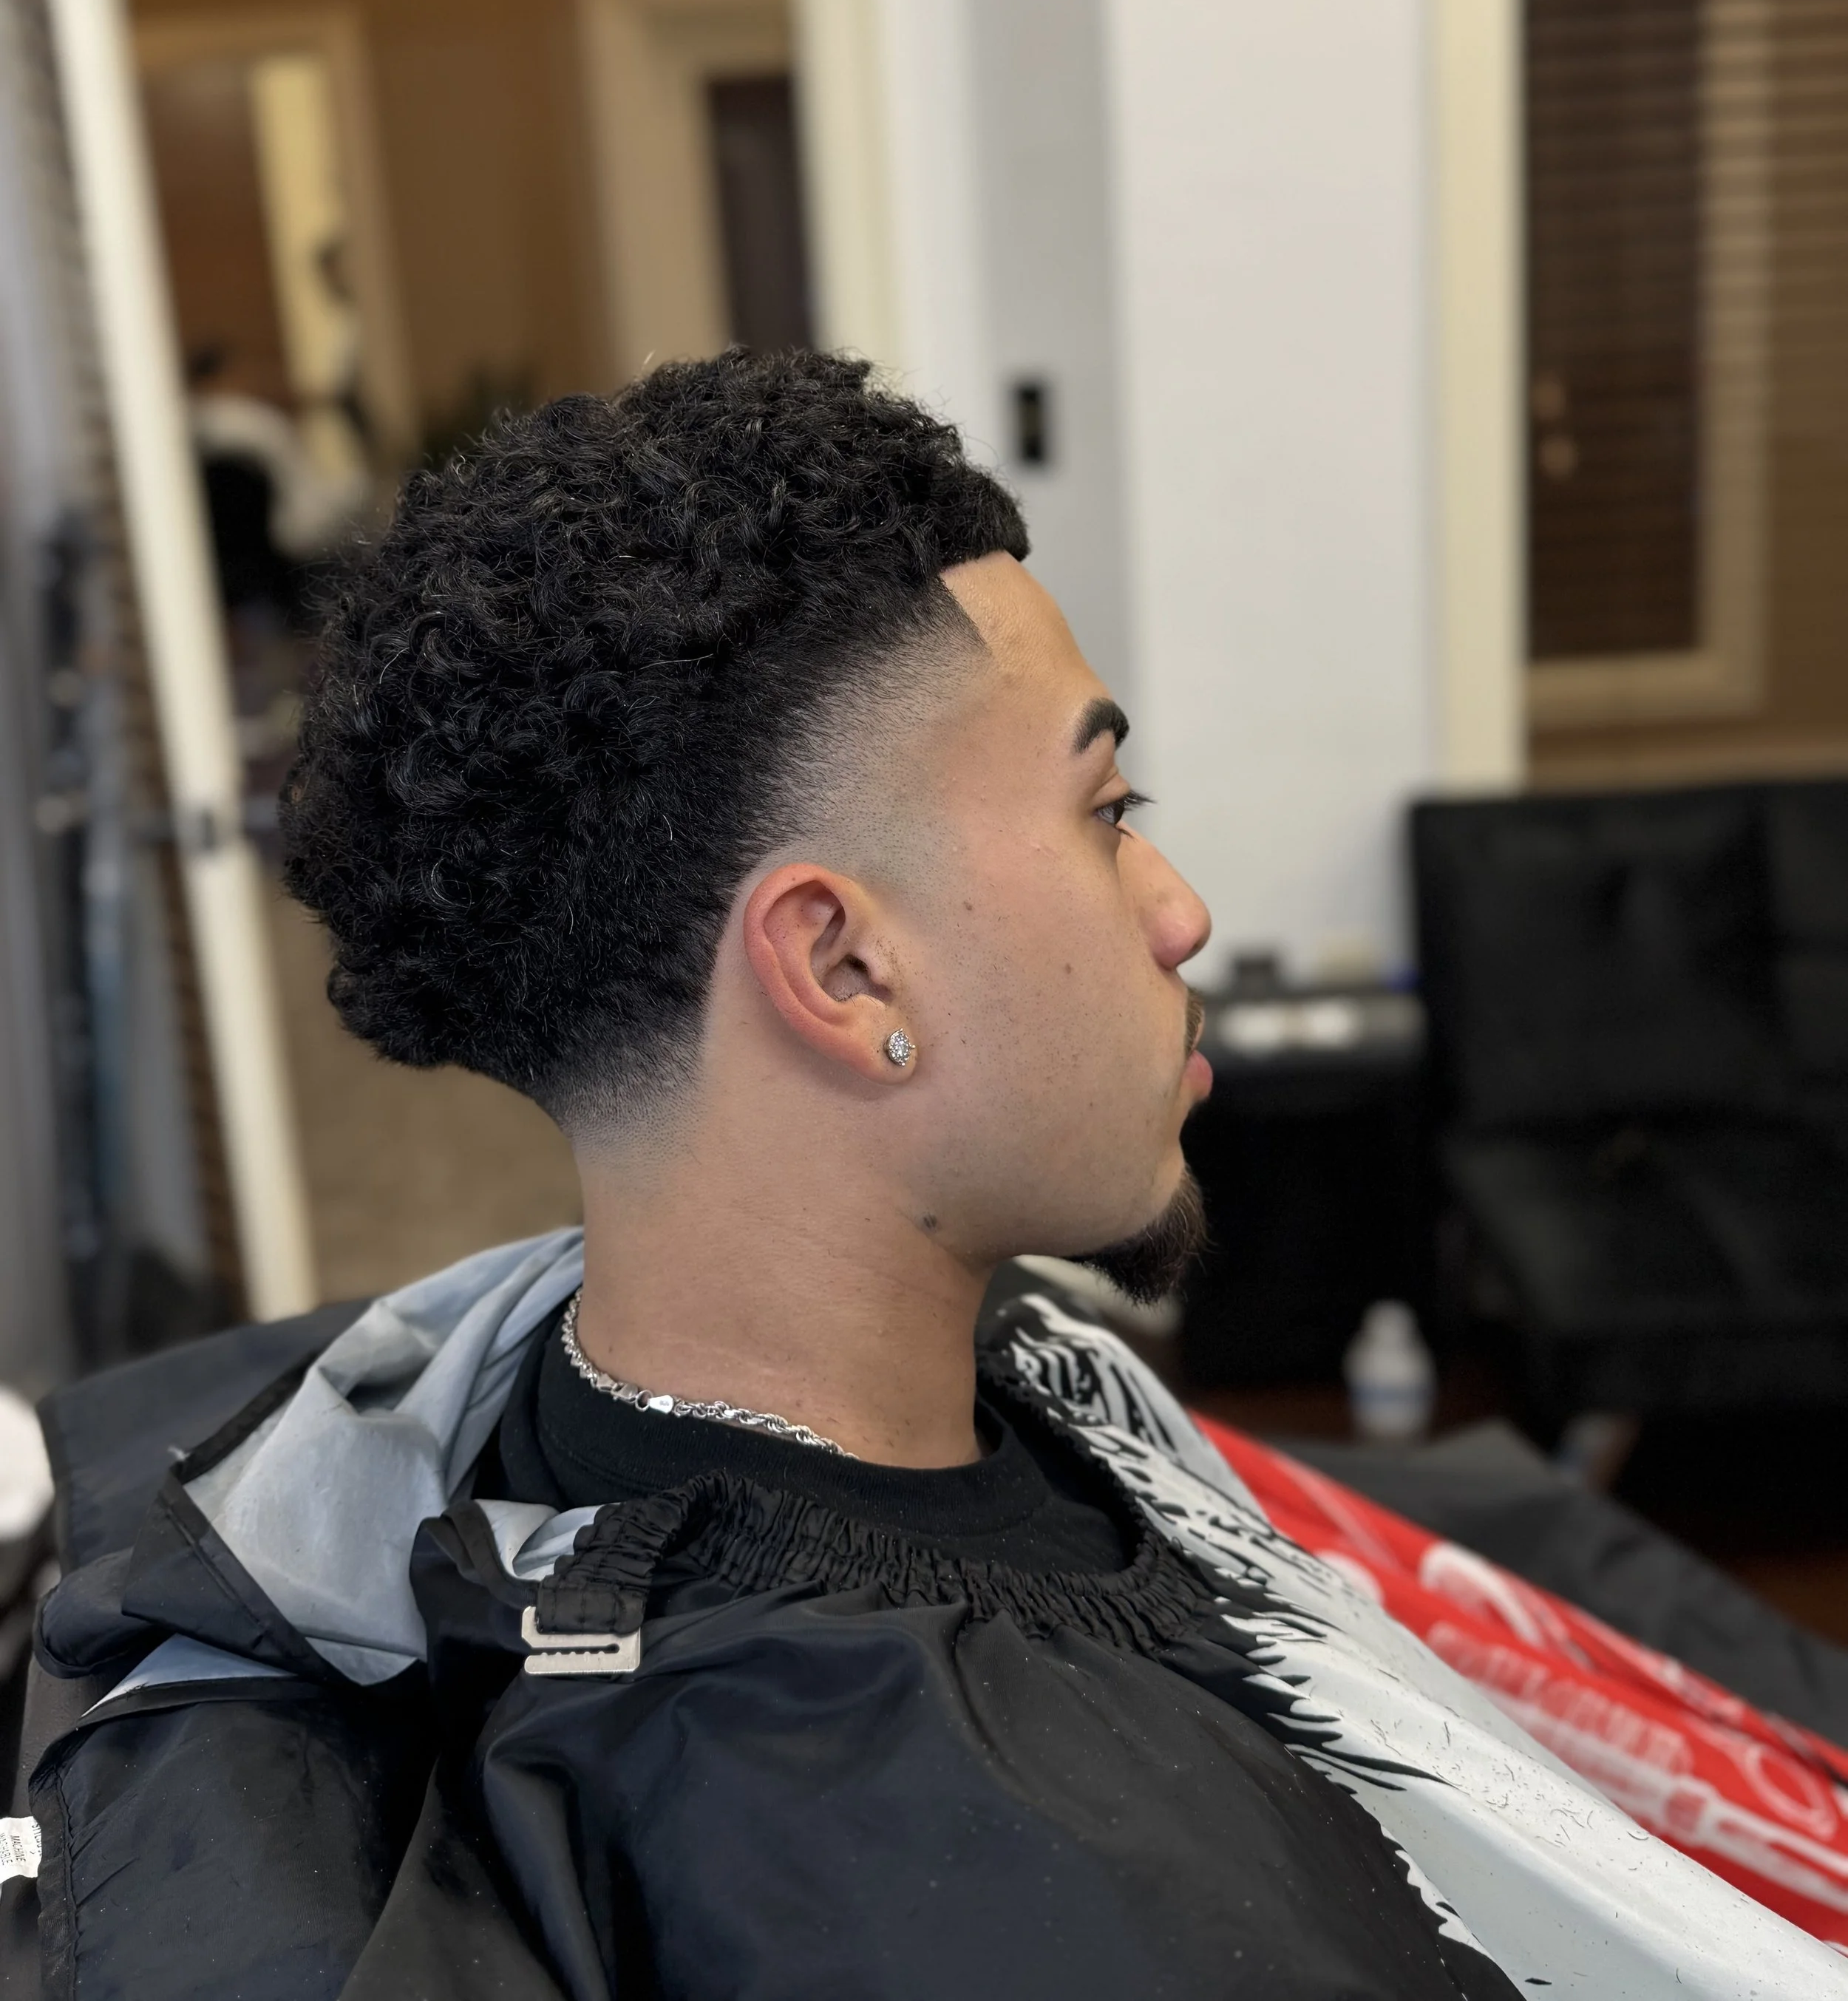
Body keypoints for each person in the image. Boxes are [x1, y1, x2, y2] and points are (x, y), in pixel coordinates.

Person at [4, 349, 1844, 2000]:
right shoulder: (971, 1886)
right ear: (843, 969)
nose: (1180, 910)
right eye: (1106, 814)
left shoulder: (753, 1386)